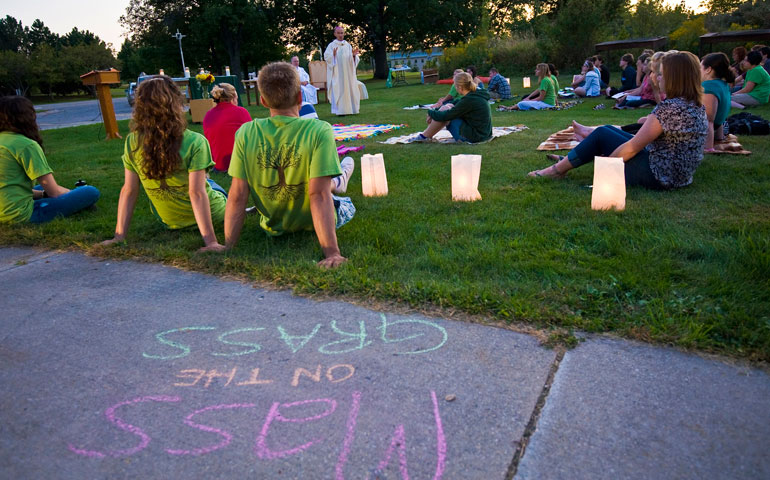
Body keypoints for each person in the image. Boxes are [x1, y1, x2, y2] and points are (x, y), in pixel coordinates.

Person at [224, 62, 355, 268]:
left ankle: (340, 178)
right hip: (312, 222)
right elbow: (319, 196)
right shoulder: (319, 130)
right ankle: (342, 177)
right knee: (342, 200)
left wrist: (228, 245)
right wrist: (332, 253)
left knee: (327, 185)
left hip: (272, 225)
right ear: (300, 98)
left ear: (263, 101)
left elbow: (238, 194)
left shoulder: (246, 132)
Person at [529, 51, 707, 191]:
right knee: (608, 131)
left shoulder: (670, 108)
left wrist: (604, 173)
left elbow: (632, 148)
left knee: (602, 134)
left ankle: (557, 171)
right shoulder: (695, 105)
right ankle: (569, 160)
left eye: (661, 74)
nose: (657, 77)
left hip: (659, 175)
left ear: (675, 77)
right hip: (679, 175)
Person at [101, 76, 227, 252]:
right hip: (215, 215)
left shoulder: (133, 141)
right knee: (212, 185)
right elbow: (197, 193)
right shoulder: (195, 141)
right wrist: (211, 242)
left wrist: (118, 236)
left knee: (204, 182)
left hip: (169, 221)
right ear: (176, 104)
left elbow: (129, 190)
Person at [0, 96, 99, 224]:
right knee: (90, 191)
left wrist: (42, 194)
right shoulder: (25, 145)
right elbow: (54, 192)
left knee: (39, 187)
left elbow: (9, 186)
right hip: (18, 215)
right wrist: (73, 193)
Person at [415, 72, 492, 143]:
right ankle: (426, 135)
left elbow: (447, 115)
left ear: (459, 87)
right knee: (447, 107)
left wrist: (430, 112)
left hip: (475, 137)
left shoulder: (470, 100)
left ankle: (424, 136)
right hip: (483, 134)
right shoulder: (475, 94)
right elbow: (456, 102)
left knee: (446, 112)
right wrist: (436, 110)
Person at [203, 83, 251, 172]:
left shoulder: (208, 115)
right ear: (233, 98)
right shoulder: (241, 112)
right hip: (239, 164)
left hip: (217, 165)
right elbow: (252, 136)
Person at [701, 52, 734, 152]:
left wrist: (708, 148)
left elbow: (708, 119)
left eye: (700, 67)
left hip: (707, 130)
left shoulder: (708, 86)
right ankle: (718, 139)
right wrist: (720, 139)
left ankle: (708, 147)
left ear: (708, 70)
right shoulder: (723, 84)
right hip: (719, 125)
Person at [323, 26, 361, 115]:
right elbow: (327, 57)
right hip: (338, 74)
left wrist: (354, 56)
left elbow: (351, 60)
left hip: (348, 74)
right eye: (338, 33)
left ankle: (352, 109)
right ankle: (341, 111)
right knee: (339, 90)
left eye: (342, 33)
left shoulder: (347, 45)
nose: (340, 35)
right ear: (335, 34)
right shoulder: (331, 45)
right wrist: (333, 55)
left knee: (350, 89)